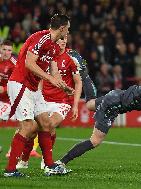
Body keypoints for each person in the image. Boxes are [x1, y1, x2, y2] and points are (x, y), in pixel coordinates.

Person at [4, 14, 73, 177]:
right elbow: (29, 62)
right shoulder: (41, 38)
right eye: (68, 29)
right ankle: (10, 169)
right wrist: (49, 78)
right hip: (20, 83)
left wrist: (63, 86)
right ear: (62, 28)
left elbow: (54, 71)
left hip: (33, 88)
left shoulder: (55, 46)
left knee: (46, 124)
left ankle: (49, 166)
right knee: (28, 127)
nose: (68, 33)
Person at [16, 35, 82, 169]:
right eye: (60, 40)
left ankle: (46, 161)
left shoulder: (71, 59)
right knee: (33, 130)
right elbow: (40, 79)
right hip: (44, 100)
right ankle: (24, 160)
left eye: (64, 40)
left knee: (50, 124)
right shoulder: (47, 57)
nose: (62, 42)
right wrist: (36, 97)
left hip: (62, 102)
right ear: (55, 41)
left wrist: (75, 106)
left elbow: (78, 82)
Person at [0, 40, 16, 155]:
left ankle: (14, 151)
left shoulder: (14, 64)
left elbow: (17, 83)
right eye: (4, 49)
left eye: (9, 50)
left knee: (26, 124)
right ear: (0, 49)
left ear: (12, 51)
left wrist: (4, 89)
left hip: (8, 100)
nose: (6, 52)